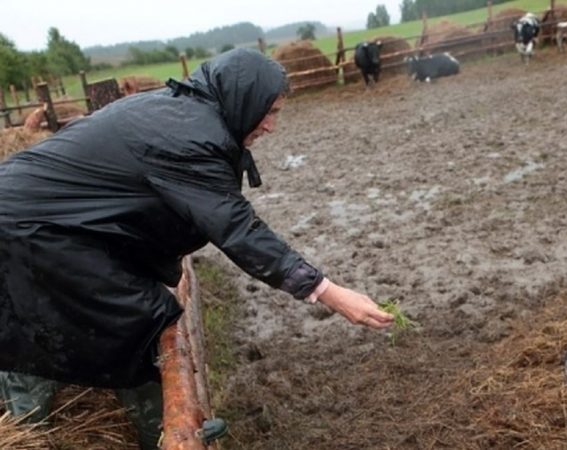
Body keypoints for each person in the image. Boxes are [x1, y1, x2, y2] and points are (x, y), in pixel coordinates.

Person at [0, 48, 394, 449]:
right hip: (28, 233)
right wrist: (328, 292)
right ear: (243, 98)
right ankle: (165, 433)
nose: (272, 126)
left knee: (62, 315)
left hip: (35, 223)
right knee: (140, 318)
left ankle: (38, 413)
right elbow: (237, 229)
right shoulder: (191, 136)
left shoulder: (185, 113)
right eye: (269, 111)